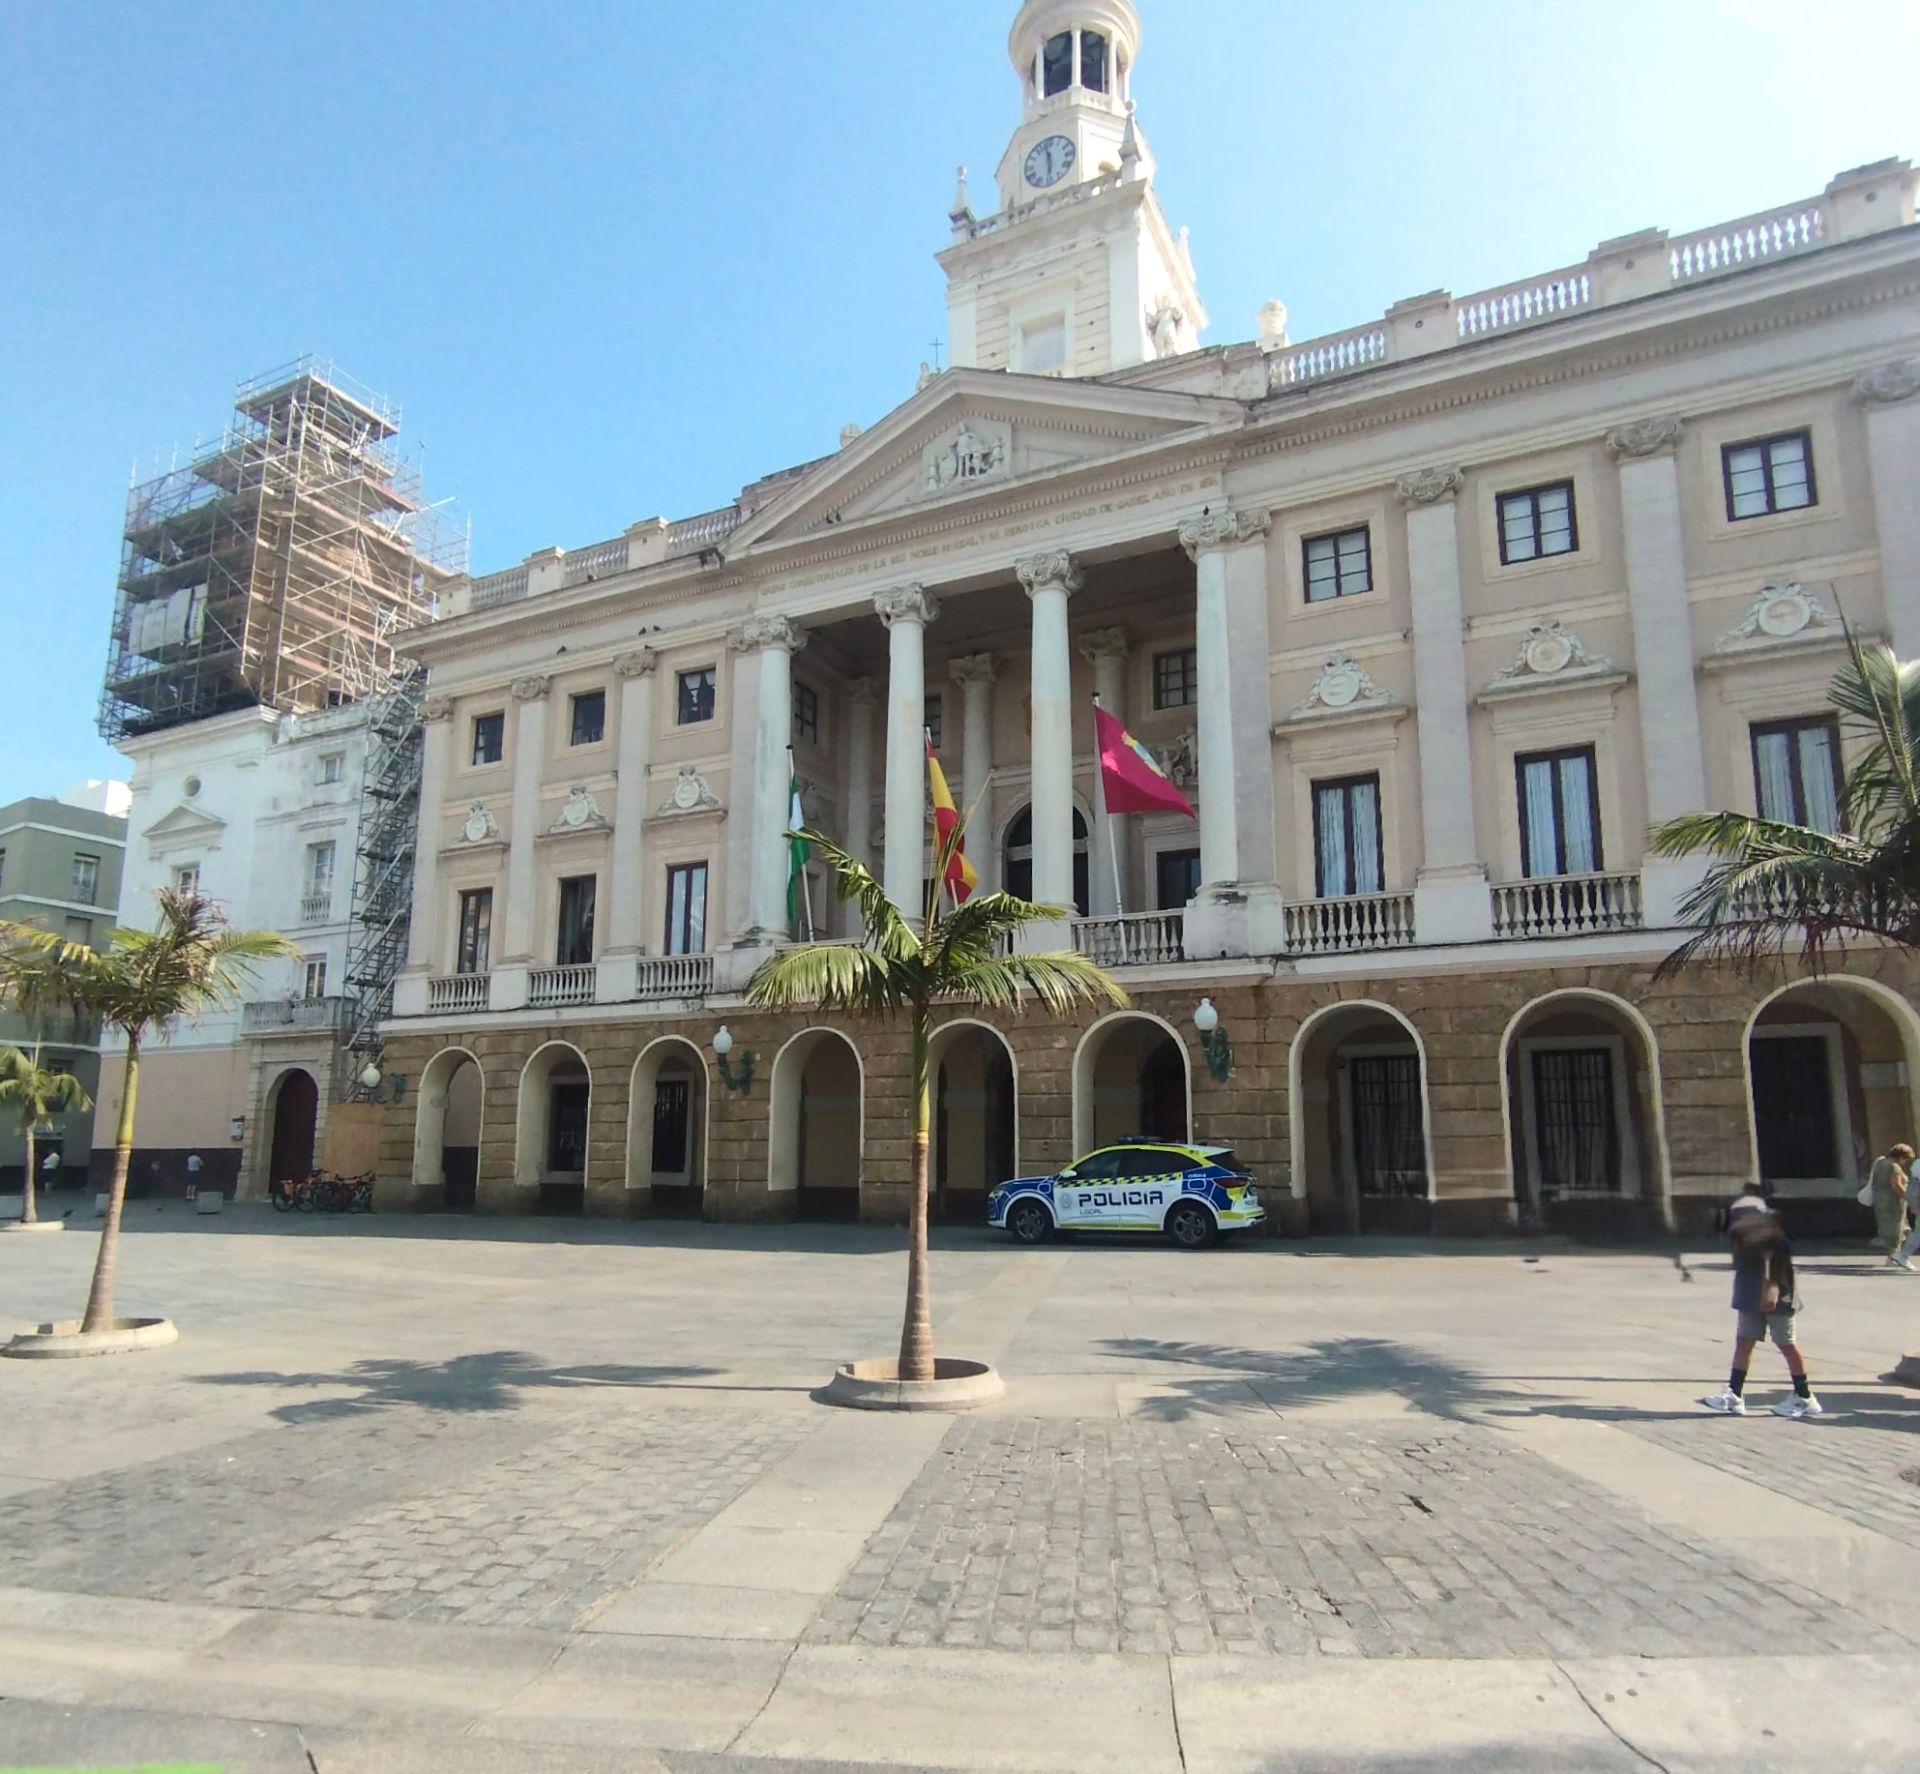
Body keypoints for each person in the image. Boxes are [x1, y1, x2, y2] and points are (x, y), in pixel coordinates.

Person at [1701, 1195, 1822, 1417]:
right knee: (1744, 1342)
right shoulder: (1745, 1236)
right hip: (1749, 1297)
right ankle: (1734, 1394)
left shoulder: (1770, 1237)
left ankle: (1804, 1397)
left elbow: (1773, 1264)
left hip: (1774, 1298)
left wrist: (1771, 1288)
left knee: (1786, 1343)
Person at [1869, 1143, 1913, 1256]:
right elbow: (1896, 1185)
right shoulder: (1894, 1166)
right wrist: (1909, 1197)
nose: (1905, 1162)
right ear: (1901, 1156)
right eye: (1906, 1159)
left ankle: (1893, 1256)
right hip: (1893, 1202)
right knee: (1896, 1230)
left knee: (1889, 1228)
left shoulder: (1880, 1163)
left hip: (1880, 1200)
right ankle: (1894, 1256)